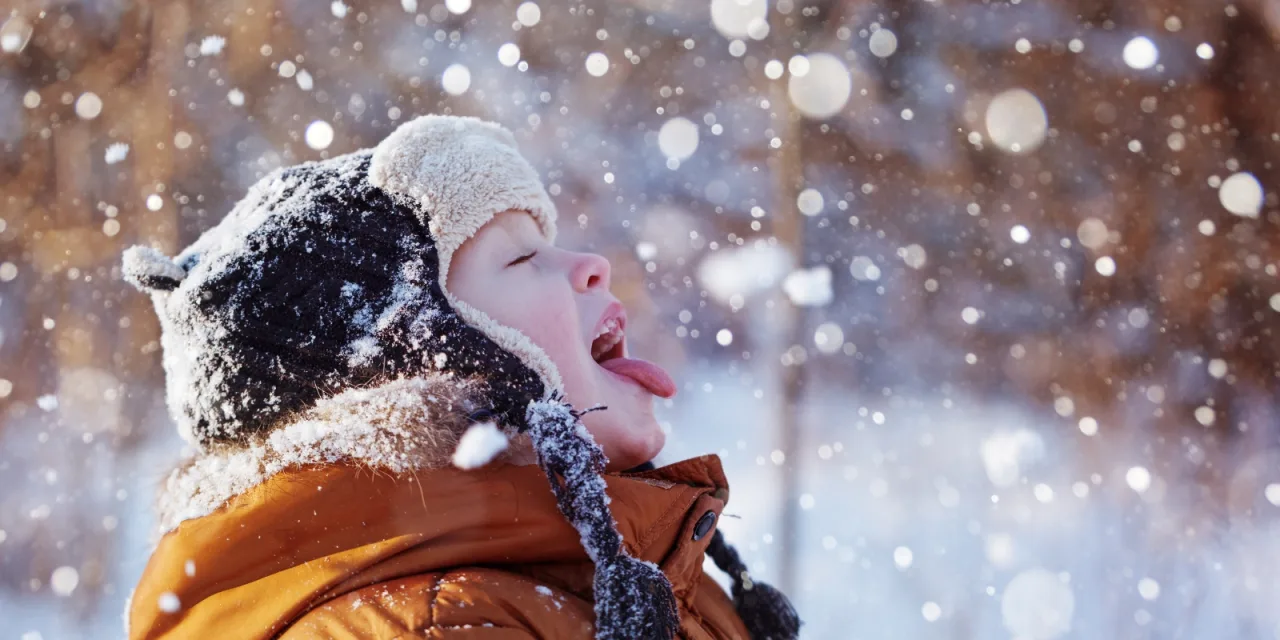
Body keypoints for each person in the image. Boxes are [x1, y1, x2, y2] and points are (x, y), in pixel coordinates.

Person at [120, 114, 800, 639]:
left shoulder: (608, 572)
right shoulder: (436, 625)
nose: (590, 263)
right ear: (419, 365)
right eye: (519, 258)